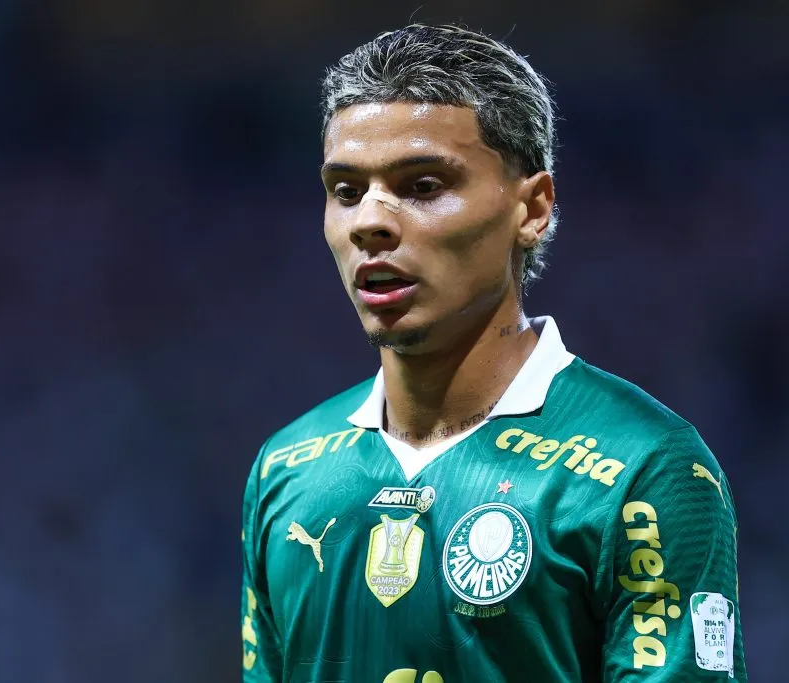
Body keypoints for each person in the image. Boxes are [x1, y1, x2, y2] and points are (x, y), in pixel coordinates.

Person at [239, 23, 747, 682]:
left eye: (421, 185)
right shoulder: (287, 470)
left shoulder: (643, 470)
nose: (370, 219)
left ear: (531, 208)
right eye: (346, 190)